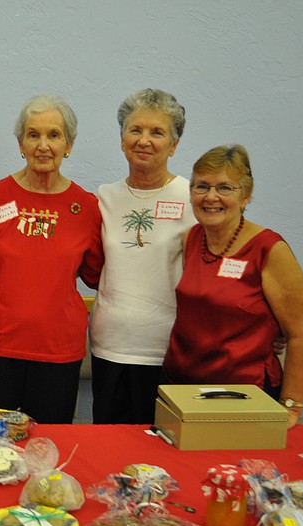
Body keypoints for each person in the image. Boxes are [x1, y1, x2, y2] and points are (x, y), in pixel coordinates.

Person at [0, 95, 103, 424]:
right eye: (33, 135)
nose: (43, 145)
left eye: (54, 135)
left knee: (48, 446)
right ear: (20, 144)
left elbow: (96, 275)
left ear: (69, 144)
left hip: (59, 353)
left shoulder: (86, 207)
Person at [162, 145, 303, 428]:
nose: (211, 197)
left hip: (245, 394)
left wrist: (291, 405)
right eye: (201, 186)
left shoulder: (269, 249)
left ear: (246, 196)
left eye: (224, 188)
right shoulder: (191, 239)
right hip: (182, 388)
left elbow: (300, 335)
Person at [89, 89, 196, 424]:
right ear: (122, 140)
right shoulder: (104, 197)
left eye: (157, 132)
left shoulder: (192, 198)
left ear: (174, 145)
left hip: (167, 350)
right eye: (135, 130)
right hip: (109, 345)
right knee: (109, 446)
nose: (144, 140)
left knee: (160, 447)